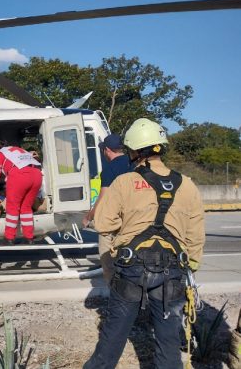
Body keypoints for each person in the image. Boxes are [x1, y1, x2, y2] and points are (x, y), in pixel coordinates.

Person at [84, 118, 205, 369]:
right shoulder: (188, 185)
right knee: (168, 343)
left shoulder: (124, 182)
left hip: (132, 269)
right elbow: (195, 236)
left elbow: (103, 224)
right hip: (173, 271)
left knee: (112, 339)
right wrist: (190, 266)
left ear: (134, 152)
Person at [82, 133, 132, 284]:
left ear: (107, 150)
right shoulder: (135, 163)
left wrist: (89, 216)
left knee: (107, 259)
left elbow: (104, 198)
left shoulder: (110, 168)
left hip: (115, 219)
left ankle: (114, 293)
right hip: (134, 218)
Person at [0, 140, 43, 244]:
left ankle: (9, 238)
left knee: (12, 207)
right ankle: (29, 237)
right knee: (26, 207)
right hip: (37, 175)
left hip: (19, 175)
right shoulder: (19, 149)